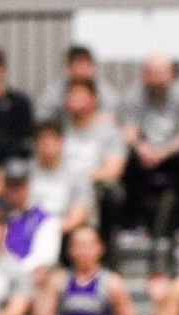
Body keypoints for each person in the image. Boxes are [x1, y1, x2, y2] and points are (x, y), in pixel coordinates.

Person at [118, 55, 179, 258]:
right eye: (151, 72)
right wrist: (141, 147)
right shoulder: (133, 95)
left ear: (172, 73)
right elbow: (128, 131)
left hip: (176, 151)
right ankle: (133, 225)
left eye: (160, 72)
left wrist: (163, 152)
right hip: (144, 151)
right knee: (124, 161)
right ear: (144, 74)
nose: (155, 78)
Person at [60, 78, 128, 254]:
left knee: (110, 195)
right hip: (60, 187)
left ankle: (103, 253)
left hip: (93, 187)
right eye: (71, 95)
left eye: (80, 95)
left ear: (93, 99)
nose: (74, 99)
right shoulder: (58, 131)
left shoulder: (108, 131)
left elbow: (114, 168)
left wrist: (82, 180)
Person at [29, 123, 95, 241]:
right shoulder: (25, 173)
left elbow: (79, 213)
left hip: (63, 232)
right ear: (35, 144)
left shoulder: (77, 175)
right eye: (42, 142)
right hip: (29, 229)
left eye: (52, 141)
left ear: (61, 143)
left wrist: (48, 231)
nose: (47, 146)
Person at [0, 159, 61, 282]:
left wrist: (15, 273)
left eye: (19, 185)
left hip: (29, 278)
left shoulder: (44, 219)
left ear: (27, 185)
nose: (14, 191)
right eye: (10, 185)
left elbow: (44, 258)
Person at [37, 46, 120, 124]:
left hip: (97, 133)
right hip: (63, 134)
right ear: (68, 68)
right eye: (76, 66)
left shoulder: (105, 92)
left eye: (84, 65)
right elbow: (42, 118)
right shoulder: (54, 92)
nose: (80, 71)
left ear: (92, 67)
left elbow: (114, 116)